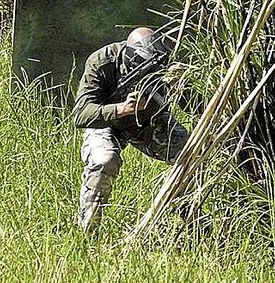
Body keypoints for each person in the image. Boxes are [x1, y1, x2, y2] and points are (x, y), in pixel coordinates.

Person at [72, 27, 189, 231]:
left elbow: (197, 106)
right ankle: (88, 231)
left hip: (149, 122)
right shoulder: (102, 61)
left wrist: (182, 86)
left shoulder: (164, 65)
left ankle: (190, 220)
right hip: (108, 122)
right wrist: (121, 109)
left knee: (191, 154)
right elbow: (81, 114)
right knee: (104, 161)